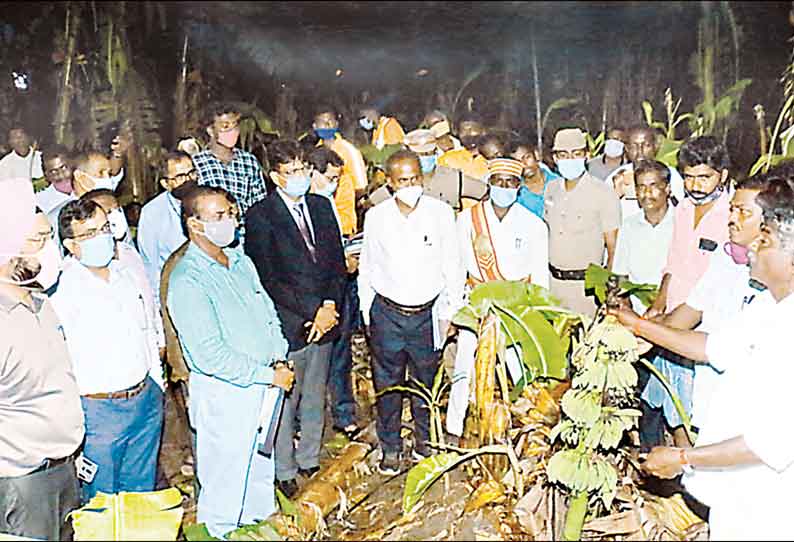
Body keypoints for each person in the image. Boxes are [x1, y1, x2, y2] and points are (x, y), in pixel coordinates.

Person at [607, 163, 794, 540]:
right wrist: (637, 325)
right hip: (735, 495)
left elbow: (770, 442)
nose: (750, 251)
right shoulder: (766, 307)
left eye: (762, 241)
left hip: (771, 503)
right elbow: (711, 346)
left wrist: (681, 458)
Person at [167, 186, 294, 538]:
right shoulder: (187, 279)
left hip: (265, 386)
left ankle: (259, 531)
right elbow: (208, 354)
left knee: (258, 474)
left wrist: (279, 357)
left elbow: (267, 313)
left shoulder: (240, 260)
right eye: (219, 217)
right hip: (227, 394)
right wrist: (266, 374)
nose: (231, 222)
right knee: (225, 482)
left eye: (231, 214)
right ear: (194, 225)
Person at [633, 175, 772, 447]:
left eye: (743, 212)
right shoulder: (724, 256)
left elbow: (714, 347)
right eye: (732, 209)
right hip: (706, 391)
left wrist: (643, 328)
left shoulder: (778, 282)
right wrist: (647, 337)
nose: (732, 218)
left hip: (746, 405)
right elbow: (693, 309)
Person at [244, 140, 347, 498]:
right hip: (289, 322)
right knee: (286, 398)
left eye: (304, 169)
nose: (300, 177)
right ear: (275, 176)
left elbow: (336, 261)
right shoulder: (260, 215)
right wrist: (311, 311)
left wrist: (330, 305)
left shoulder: (321, 206)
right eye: (291, 172)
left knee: (316, 393)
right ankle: (284, 468)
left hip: (327, 317)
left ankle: (310, 459)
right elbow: (267, 277)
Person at [50, 198, 164, 501]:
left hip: (144, 400)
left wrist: (157, 384)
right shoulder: (60, 290)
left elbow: (146, 330)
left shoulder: (125, 273)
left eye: (104, 228)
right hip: (99, 411)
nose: (102, 238)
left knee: (140, 497)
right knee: (100, 501)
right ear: (71, 245)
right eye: (89, 234)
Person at [358, 150, 464, 474]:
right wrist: (368, 313)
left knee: (425, 382)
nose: (410, 185)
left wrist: (449, 312)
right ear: (390, 184)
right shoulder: (377, 217)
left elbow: (454, 266)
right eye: (402, 180)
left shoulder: (441, 214)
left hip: (428, 314)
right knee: (387, 384)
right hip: (387, 314)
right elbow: (368, 267)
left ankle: (425, 443)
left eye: (415, 178)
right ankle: (390, 448)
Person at [0, 178, 84, 541]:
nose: (48, 250)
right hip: (21, 482)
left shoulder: (40, 302)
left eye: (49, 239)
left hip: (63, 470)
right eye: (37, 241)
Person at [446, 158, 549, 438]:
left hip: (516, 307)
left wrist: (538, 313)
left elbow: (540, 276)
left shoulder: (534, 224)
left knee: (520, 368)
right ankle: (455, 429)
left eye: (511, 183)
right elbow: (456, 268)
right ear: (489, 184)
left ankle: (525, 426)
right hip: (478, 302)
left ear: (519, 187)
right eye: (499, 181)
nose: (504, 187)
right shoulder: (468, 219)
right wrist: (454, 309)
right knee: (465, 366)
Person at [641, 136, 733, 448]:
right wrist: (659, 302)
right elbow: (673, 263)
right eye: (688, 176)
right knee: (673, 406)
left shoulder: (732, 217)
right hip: (671, 319)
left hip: (702, 329)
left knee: (697, 410)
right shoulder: (682, 210)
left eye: (704, 177)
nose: (695, 185)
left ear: (722, 174)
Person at [306, 145, 361, 435]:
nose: (335, 184)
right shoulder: (299, 209)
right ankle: (306, 423)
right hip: (312, 297)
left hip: (340, 290)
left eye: (338, 179)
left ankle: (343, 412)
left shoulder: (328, 205)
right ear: (310, 173)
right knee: (312, 361)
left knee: (341, 354)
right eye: (330, 178)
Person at [544, 128, 621, 316]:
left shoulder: (603, 193)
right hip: (552, 286)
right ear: (555, 158)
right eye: (563, 155)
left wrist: (609, 291)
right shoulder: (551, 189)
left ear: (587, 155)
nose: (570, 160)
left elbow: (614, 248)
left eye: (576, 154)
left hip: (586, 290)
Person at [82, 188, 165, 363]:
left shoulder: (130, 253)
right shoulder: (84, 266)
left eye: (117, 210)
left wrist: (160, 339)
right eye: (107, 212)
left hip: (149, 355)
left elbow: (147, 297)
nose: (114, 217)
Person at [612, 160, 675, 312]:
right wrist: (625, 307)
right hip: (636, 313)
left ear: (667, 189)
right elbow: (621, 275)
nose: (647, 194)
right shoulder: (629, 225)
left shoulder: (682, 224)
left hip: (673, 313)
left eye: (653, 186)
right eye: (641, 187)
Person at [193, 102, 267, 220]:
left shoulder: (249, 161)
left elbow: (260, 203)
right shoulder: (197, 163)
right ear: (211, 130)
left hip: (246, 233)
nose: (232, 131)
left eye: (235, 125)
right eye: (225, 126)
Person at [138, 151, 193, 296]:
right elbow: (150, 264)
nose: (188, 180)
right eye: (180, 177)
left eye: (192, 173)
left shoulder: (208, 200)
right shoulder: (152, 213)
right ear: (165, 184)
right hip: (174, 291)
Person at [395, 128, 487, 210]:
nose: (426, 157)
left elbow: (485, 193)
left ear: (435, 152)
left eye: (429, 153)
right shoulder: (399, 182)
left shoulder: (453, 177)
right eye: (420, 154)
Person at [606, 126, 685, 218]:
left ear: (655, 147)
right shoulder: (618, 176)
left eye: (646, 145)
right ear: (627, 149)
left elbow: (681, 209)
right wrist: (616, 194)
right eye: (634, 146)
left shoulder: (670, 175)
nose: (640, 151)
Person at [312, 105, 369, 236]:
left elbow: (361, 187)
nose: (327, 125)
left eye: (330, 121)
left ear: (336, 124)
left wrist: (343, 195)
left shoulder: (349, 151)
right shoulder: (315, 151)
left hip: (344, 223)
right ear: (315, 126)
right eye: (322, 122)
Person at [46, 150, 123, 242]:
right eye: (101, 173)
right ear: (80, 177)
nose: (107, 179)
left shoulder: (114, 207)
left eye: (109, 173)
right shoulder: (56, 218)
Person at [508, 138, 562, 220]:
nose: (524, 164)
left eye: (527, 157)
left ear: (536, 155)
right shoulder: (516, 194)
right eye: (518, 162)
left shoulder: (560, 183)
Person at [437, 116, 489, 180]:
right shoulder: (447, 159)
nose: (468, 134)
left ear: (483, 132)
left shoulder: (491, 160)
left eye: (472, 129)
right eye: (463, 131)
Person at [36, 144, 74, 215]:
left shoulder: (88, 186)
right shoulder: (40, 202)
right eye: (53, 171)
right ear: (46, 175)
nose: (61, 175)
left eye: (64, 167)